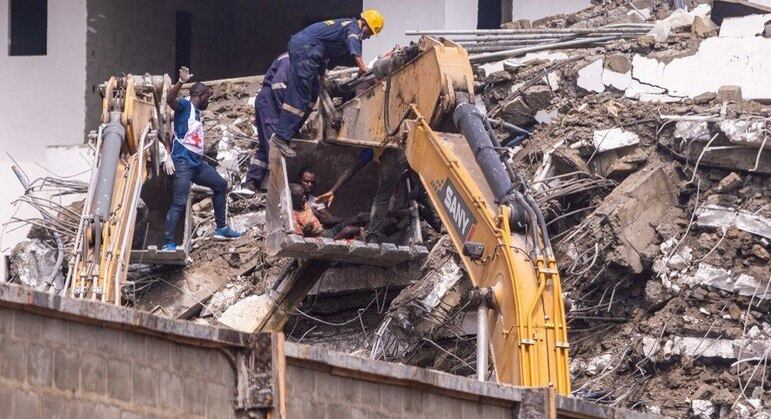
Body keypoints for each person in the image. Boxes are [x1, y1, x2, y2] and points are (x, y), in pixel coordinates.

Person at [270, 10, 385, 158]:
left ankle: (291, 132)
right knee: (300, 94)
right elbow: (354, 47)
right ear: (365, 24)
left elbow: (325, 51)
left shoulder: (344, 27)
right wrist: (364, 69)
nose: (369, 37)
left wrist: (322, 75)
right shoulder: (353, 28)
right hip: (306, 49)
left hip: (310, 51)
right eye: (370, 33)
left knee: (313, 93)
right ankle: (280, 137)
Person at [162, 67, 242, 250]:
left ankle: (221, 228)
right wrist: (181, 82)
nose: (208, 101)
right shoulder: (185, 106)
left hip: (196, 163)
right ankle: (168, 242)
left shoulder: (197, 113)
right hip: (182, 163)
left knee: (220, 185)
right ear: (200, 94)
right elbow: (170, 100)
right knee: (179, 202)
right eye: (207, 97)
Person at [318, 147, 407, 244]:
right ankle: (373, 234)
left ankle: (373, 234)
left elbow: (353, 168)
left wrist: (333, 191)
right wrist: (333, 191)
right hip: (402, 155)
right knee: (380, 201)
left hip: (396, 154)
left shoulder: (374, 150)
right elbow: (353, 168)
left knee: (382, 198)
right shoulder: (373, 151)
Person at [241, 53, 291, 192]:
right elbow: (279, 86)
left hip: (269, 100)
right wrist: (285, 114)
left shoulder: (292, 58)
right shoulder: (290, 60)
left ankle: (252, 180)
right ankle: (275, 187)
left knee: (265, 144)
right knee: (274, 143)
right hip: (271, 101)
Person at [289, 183, 364, 240]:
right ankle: (335, 240)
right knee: (347, 230)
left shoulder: (306, 206)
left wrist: (342, 220)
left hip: (327, 231)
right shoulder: (294, 216)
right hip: (321, 238)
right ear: (293, 199)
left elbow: (322, 218)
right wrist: (307, 231)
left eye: (304, 195)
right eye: (301, 197)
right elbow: (300, 238)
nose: (305, 197)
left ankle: (360, 230)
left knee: (350, 221)